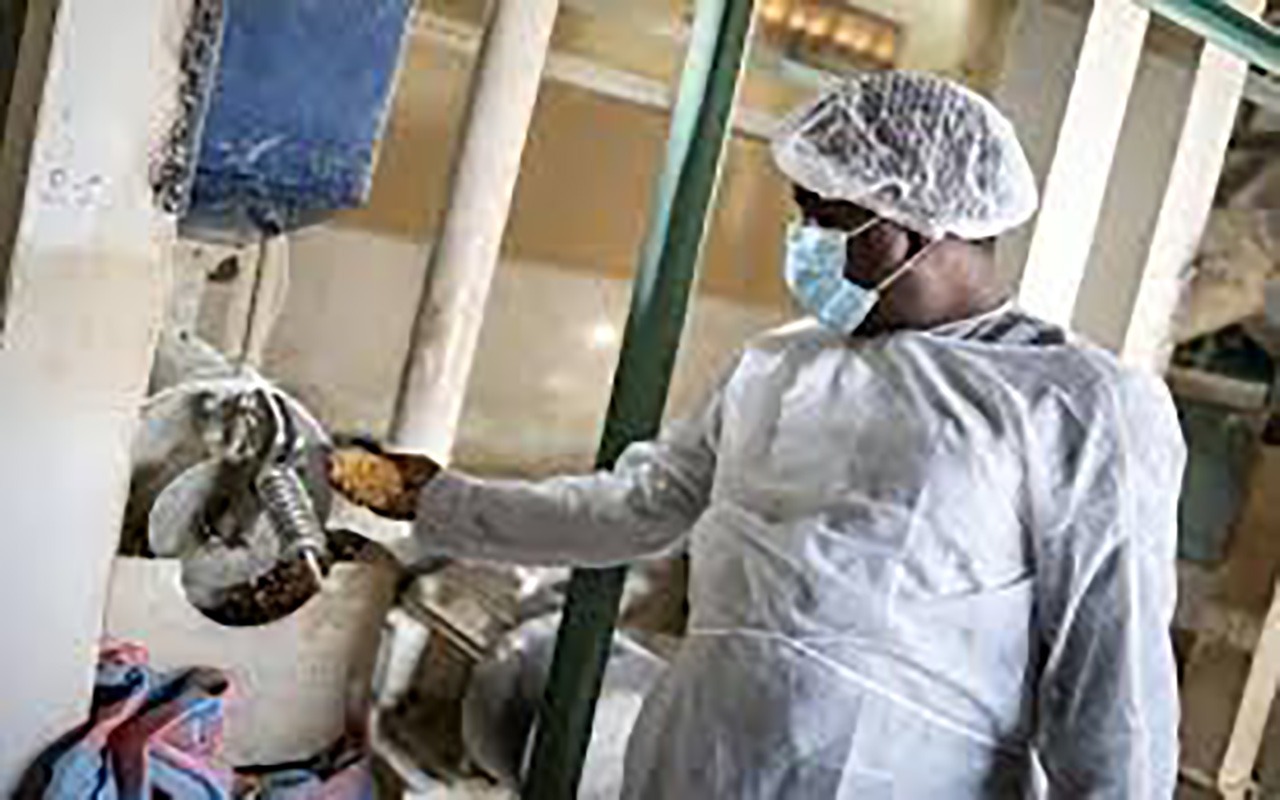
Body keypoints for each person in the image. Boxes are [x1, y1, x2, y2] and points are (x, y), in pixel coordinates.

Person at [330, 71, 1185, 798]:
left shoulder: (1078, 404)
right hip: (698, 760)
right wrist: (438, 499)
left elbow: (1113, 696)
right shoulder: (779, 364)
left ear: (912, 226)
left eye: (823, 215)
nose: (802, 240)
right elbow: (634, 508)